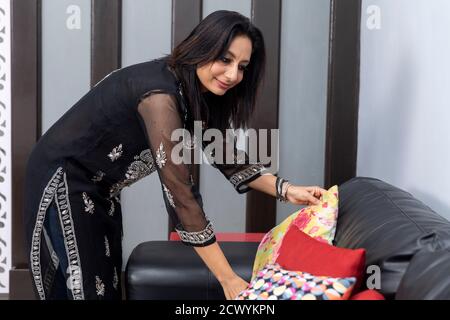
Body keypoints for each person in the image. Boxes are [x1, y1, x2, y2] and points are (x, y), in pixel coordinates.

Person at [23, 10, 326, 300]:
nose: (233, 74)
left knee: (105, 282)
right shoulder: (160, 97)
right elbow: (182, 195)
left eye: (243, 66)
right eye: (225, 59)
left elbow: (226, 155)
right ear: (202, 47)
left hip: (100, 188)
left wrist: (288, 190)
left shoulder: (193, 91)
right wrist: (227, 278)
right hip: (65, 178)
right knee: (88, 288)